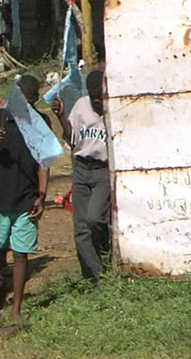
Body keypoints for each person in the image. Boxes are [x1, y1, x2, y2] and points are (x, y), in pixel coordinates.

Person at [0, 75, 50, 327]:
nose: (25, 105)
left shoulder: (41, 122)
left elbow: (44, 162)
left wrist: (42, 196)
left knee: (21, 254)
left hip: (26, 198)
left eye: (30, 100)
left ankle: (17, 309)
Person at [53, 70, 110, 283]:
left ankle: (106, 253)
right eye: (94, 97)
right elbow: (72, 138)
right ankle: (96, 276)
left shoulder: (113, 108)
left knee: (95, 218)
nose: (97, 101)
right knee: (81, 227)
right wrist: (61, 116)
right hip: (81, 167)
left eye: (101, 96)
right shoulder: (81, 106)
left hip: (103, 169)